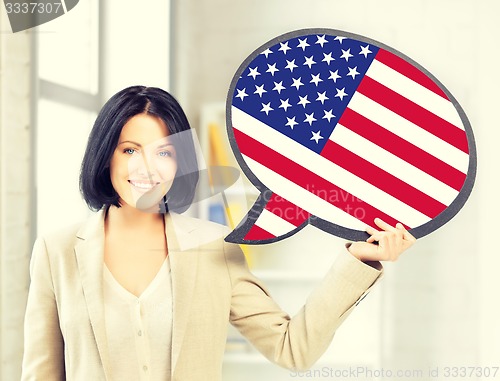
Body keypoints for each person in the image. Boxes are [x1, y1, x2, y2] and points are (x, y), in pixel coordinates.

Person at [21, 86, 416, 381]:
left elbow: (292, 348)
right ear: (104, 153)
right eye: (129, 150)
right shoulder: (57, 251)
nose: (147, 167)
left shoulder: (212, 248)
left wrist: (359, 259)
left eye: (163, 152)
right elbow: (40, 373)